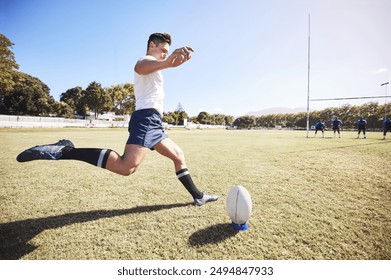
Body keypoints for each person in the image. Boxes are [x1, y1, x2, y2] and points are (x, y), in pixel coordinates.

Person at [16, 32, 219, 206]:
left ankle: (198, 197)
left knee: (178, 155)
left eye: (167, 51)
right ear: (152, 46)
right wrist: (166, 62)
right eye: (163, 50)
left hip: (153, 122)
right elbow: (140, 66)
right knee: (126, 167)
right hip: (146, 119)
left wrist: (166, 63)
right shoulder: (145, 61)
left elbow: (153, 68)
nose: (165, 53)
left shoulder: (156, 67)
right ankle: (65, 150)